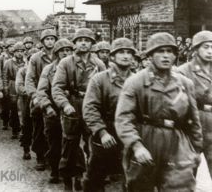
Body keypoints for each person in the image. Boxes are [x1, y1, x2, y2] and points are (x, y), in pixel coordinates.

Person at [115, 32, 203, 191]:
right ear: (150, 55)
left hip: (177, 143)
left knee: (180, 187)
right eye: (160, 51)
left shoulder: (184, 83)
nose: (165, 56)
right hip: (146, 139)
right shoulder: (136, 82)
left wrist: (196, 149)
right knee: (140, 186)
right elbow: (124, 118)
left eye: (170, 51)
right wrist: (136, 146)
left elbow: (194, 120)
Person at [52, 28, 106, 191]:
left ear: (91, 44)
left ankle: (90, 178)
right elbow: (57, 87)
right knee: (70, 144)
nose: (83, 43)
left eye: (87, 40)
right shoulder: (66, 63)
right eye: (80, 40)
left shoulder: (99, 64)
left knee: (94, 145)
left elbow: (105, 88)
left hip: (92, 106)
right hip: (73, 105)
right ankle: (70, 178)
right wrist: (65, 104)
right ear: (75, 43)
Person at [82, 38, 136, 191]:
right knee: (95, 180)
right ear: (112, 57)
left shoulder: (138, 79)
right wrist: (102, 132)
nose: (125, 56)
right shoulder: (99, 80)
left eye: (129, 53)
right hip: (106, 132)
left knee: (133, 179)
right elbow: (90, 108)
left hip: (130, 133)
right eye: (121, 52)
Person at [37, 38, 73, 184]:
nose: (66, 53)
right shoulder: (49, 69)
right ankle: (54, 169)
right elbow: (41, 91)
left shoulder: (74, 68)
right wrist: (47, 106)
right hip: (53, 111)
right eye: (62, 51)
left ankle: (70, 173)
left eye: (68, 50)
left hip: (71, 111)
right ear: (57, 53)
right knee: (54, 142)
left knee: (71, 144)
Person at [178, 30, 212, 178]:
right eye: (206, 47)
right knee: (189, 169)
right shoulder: (184, 71)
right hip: (195, 121)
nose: (210, 51)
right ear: (196, 49)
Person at [26, 29, 58, 171]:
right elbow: (30, 79)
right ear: (43, 41)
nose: (50, 41)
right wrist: (34, 96)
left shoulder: (61, 56)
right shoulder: (36, 58)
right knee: (39, 126)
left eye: (52, 38)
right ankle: (40, 155)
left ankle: (56, 158)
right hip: (41, 95)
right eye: (47, 39)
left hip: (58, 95)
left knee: (57, 129)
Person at [16, 47, 39, 160]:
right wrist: (29, 92)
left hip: (40, 100)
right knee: (26, 125)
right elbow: (19, 86)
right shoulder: (23, 71)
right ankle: (26, 148)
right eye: (30, 59)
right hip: (26, 100)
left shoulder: (41, 70)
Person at [3, 42, 26, 139]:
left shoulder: (26, 62)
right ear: (14, 52)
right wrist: (5, 87)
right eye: (17, 51)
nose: (19, 53)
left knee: (24, 108)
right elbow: (5, 76)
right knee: (14, 108)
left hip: (23, 85)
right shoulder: (8, 62)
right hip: (12, 85)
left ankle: (23, 129)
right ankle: (15, 129)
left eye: (21, 51)